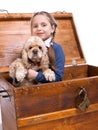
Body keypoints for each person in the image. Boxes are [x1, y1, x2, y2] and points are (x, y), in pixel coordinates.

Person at [27, 11, 65, 83]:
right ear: (31, 30)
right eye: (35, 26)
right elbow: (19, 70)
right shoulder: (28, 47)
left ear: (52, 28)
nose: (39, 28)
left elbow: (58, 77)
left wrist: (36, 75)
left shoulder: (57, 48)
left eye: (44, 25)